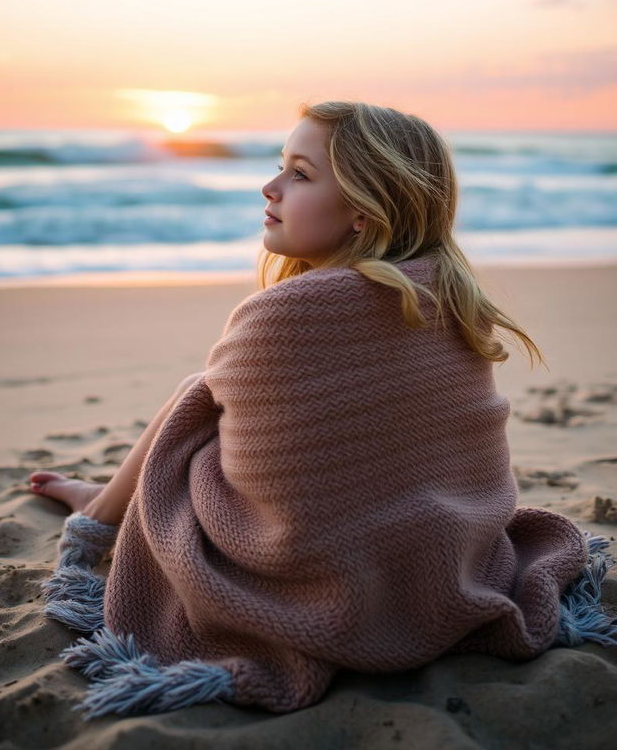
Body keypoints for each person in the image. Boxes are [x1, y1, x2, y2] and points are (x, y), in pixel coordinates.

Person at [31, 101, 616, 718]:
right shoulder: (450, 297)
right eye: (279, 166)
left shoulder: (283, 313)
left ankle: (98, 513)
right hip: (450, 559)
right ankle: (108, 500)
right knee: (209, 390)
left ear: (365, 209)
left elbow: (247, 458)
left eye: (300, 174)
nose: (270, 186)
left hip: (307, 574)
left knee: (197, 394)